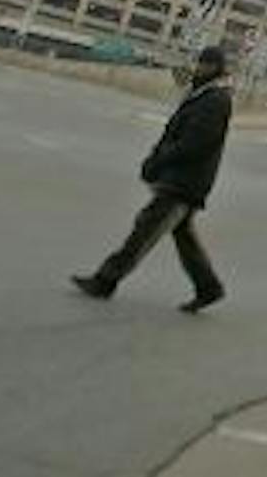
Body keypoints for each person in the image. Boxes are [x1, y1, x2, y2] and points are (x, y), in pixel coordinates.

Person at [71, 45, 233, 312]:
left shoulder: (215, 100)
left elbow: (194, 143)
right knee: (183, 237)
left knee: (144, 230)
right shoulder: (201, 94)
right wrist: (157, 161)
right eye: (200, 62)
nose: (199, 68)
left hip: (184, 182)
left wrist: (161, 160)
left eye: (206, 64)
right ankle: (209, 288)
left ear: (216, 68)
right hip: (183, 179)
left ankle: (105, 280)